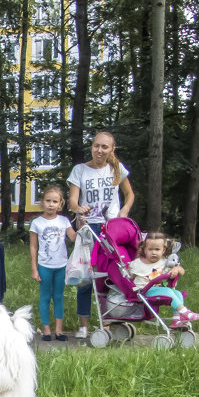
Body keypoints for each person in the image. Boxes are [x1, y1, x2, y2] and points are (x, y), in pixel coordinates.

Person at [68, 131, 135, 338]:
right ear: (92, 146)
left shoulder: (116, 169)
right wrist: (80, 209)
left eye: (104, 147)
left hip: (111, 229)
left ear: (111, 149)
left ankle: (107, 322)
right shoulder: (80, 170)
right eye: (96, 146)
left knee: (110, 275)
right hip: (89, 228)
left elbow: (129, 194)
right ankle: (84, 325)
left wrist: (124, 212)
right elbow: (72, 201)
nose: (99, 150)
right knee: (85, 278)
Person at [29, 185, 76, 341]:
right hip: (44, 266)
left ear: (60, 204)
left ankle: (59, 330)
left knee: (58, 297)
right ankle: (46, 329)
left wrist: (82, 224)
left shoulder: (64, 221)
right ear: (42, 202)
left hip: (61, 266)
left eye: (54, 201)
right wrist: (34, 268)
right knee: (45, 297)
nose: (51, 204)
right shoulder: (37, 222)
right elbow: (33, 246)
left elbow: (74, 238)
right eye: (48, 201)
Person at [127, 232, 199, 328]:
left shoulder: (164, 261)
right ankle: (185, 312)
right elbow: (129, 279)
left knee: (178, 294)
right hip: (143, 291)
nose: (154, 252)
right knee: (167, 291)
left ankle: (177, 320)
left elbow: (182, 271)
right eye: (150, 249)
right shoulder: (137, 264)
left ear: (163, 250)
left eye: (157, 249)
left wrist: (176, 269)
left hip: (159, 289)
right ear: (144, 249)